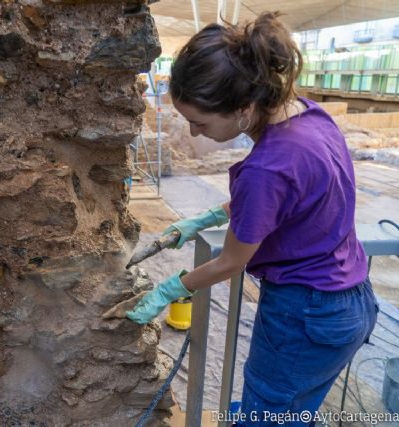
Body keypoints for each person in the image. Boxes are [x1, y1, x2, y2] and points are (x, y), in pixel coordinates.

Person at [126, 11, 378, 426]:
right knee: (292, 410)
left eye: (199, 122)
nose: (192, 134)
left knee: (268, 415)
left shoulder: (266, 168)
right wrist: (203, 219)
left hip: (306, 312)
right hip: (350, 298)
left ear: (243, 108)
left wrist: (166, 291)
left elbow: (231, 262)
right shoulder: (309, 117)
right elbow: (292, 201)